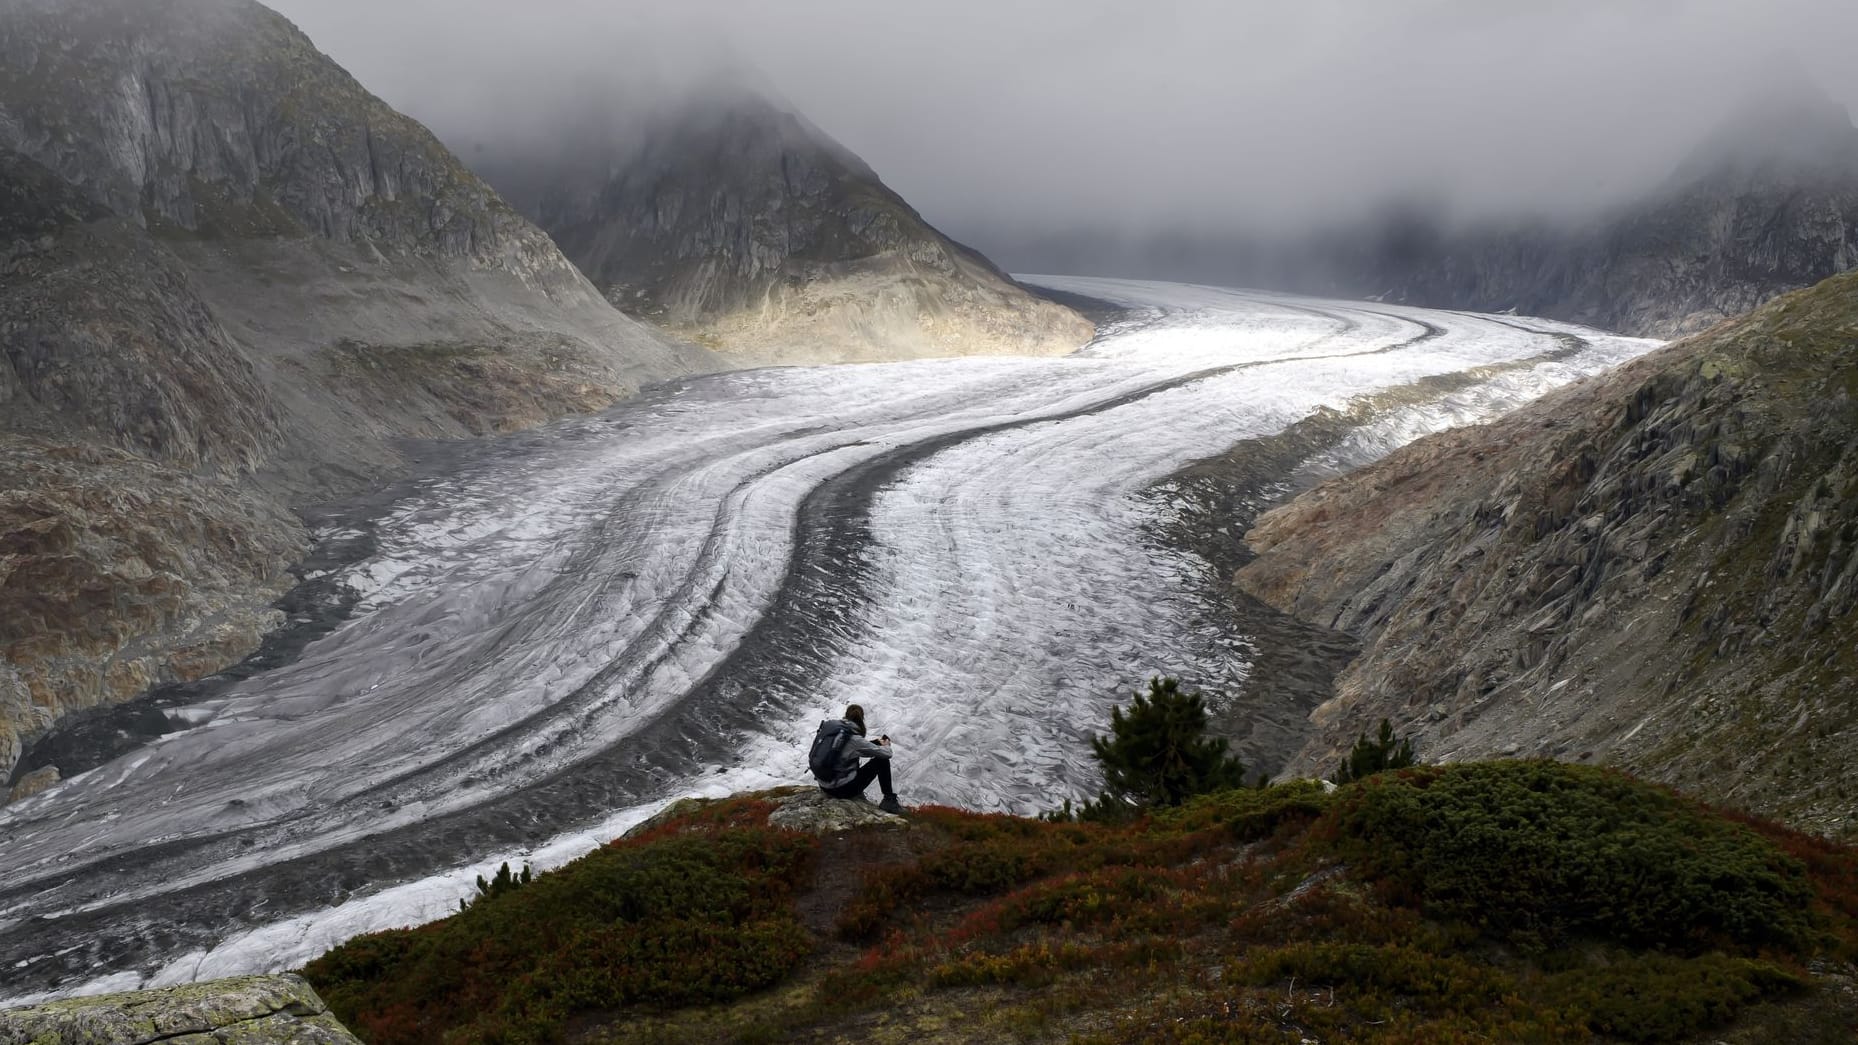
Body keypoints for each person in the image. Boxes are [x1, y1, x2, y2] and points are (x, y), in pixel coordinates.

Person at [819, 704, 904, 814]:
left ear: (846, 716)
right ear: (862, 718)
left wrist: (875, 743)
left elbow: (851, 749)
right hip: (840, 790)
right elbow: (887, 754)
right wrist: (886, 744)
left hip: (824, 785)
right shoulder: (854, 739)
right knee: (881, 761)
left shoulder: (835, 732)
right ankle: (888, 800)